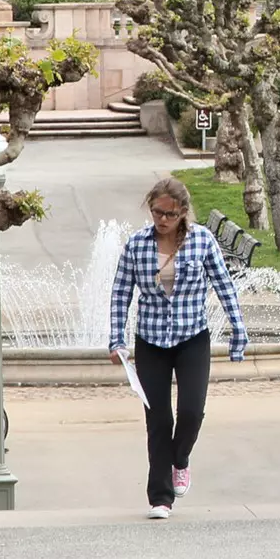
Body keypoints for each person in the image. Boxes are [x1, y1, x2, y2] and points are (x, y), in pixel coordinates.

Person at [107, 177, 248, 520]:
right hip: (151, 340)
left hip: (192, 337)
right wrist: (116, 338)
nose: (162, 219)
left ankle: (180, 460)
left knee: (190, 411)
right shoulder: (138, 245)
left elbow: (224, 285)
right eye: (157, 212)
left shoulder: (202, 240)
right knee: (157, 418)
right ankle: (160, 496)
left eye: (169, 213)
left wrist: (237, 329)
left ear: (183, 212)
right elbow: (120, 293)